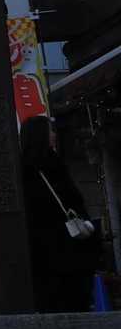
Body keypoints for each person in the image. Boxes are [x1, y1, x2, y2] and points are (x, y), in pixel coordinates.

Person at [20, 115, 99, 313]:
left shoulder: (22, 168)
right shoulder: (52, 164)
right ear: (40, 135)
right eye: (50, 131)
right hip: (65, 244)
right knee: (72, 299)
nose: (54, 135)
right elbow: (73, 199)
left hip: (43, 251)